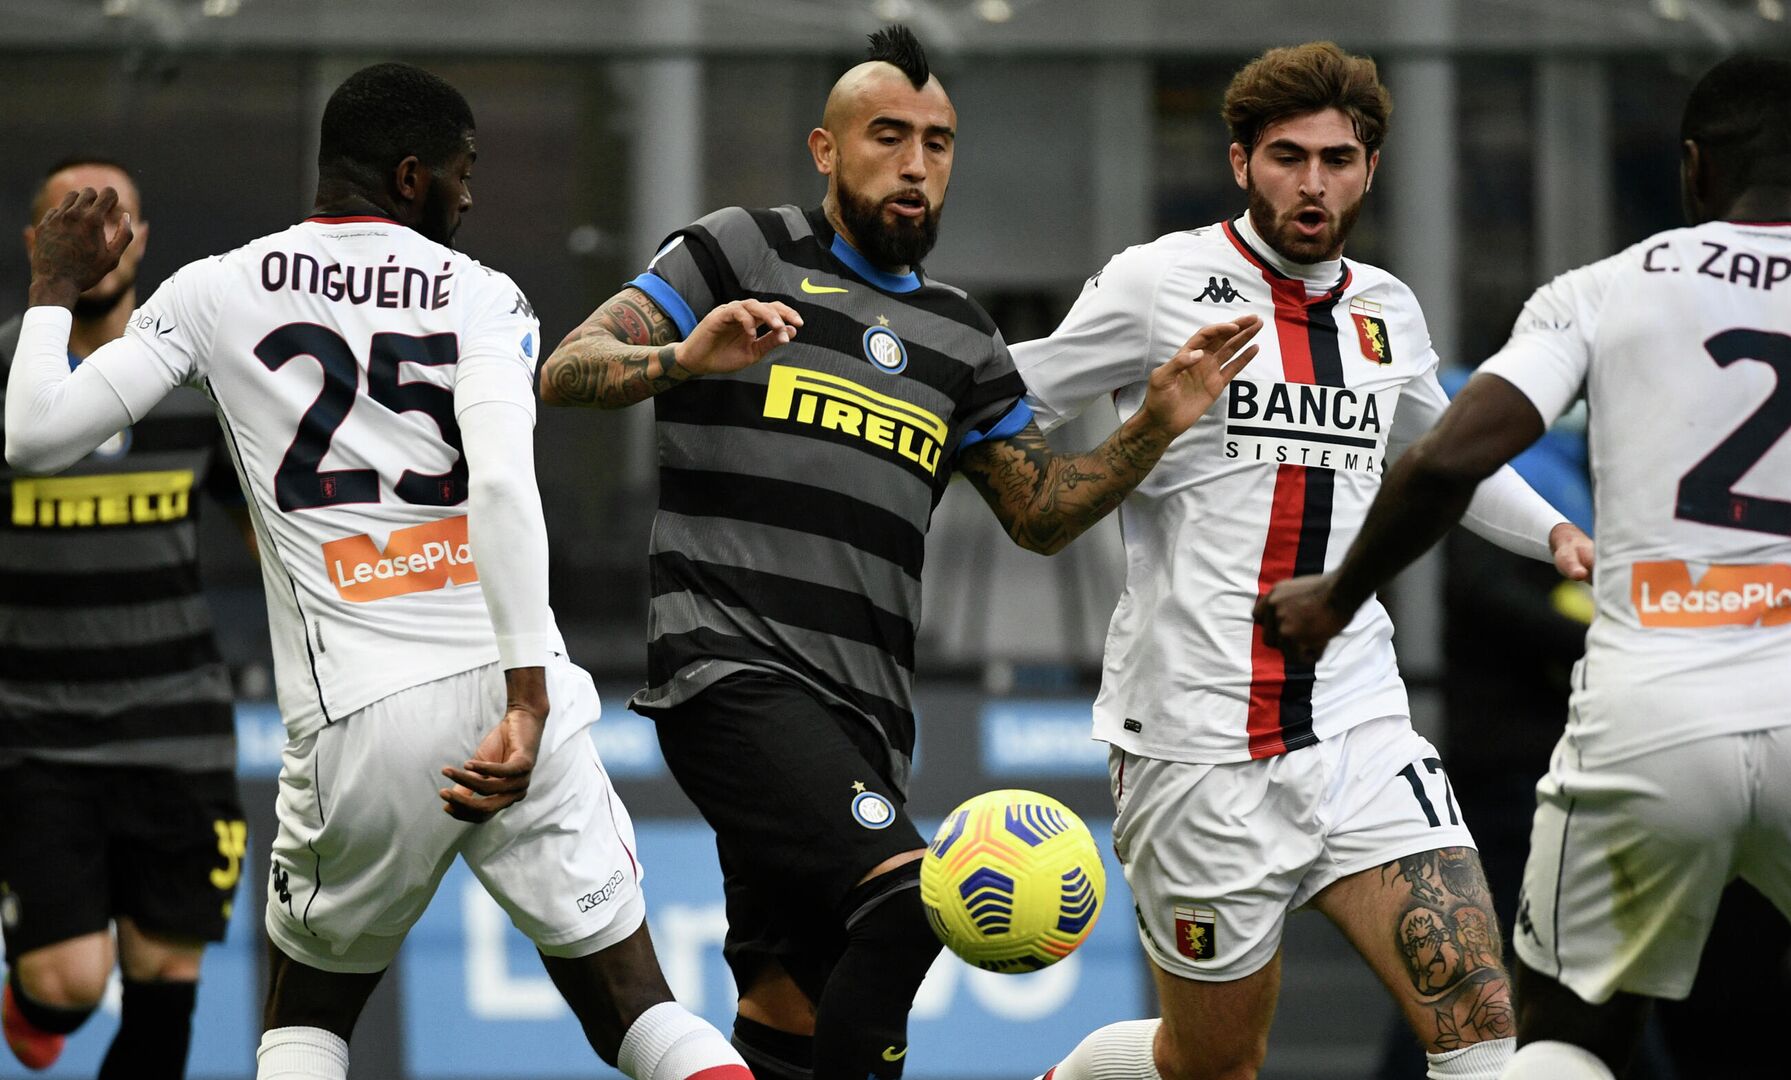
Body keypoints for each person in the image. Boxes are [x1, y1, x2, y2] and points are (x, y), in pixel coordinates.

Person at [538, 25, 1259, 1080]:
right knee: (909, 900)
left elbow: (1041, 514)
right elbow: (570, 367)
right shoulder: (739, 250)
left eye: (939, 141)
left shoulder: (964, 339)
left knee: (795, 1005)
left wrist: (1154, 422)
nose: (916, 163)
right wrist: (684, 355)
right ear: (827, 150)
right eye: (888, 137)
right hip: (728, 675)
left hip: (866, 715)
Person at [6, 63, 751, 1080]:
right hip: (516, 691)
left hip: (361, 713)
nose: (471, 194)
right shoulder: (485, 295)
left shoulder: (213, 291)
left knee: (307, 1015)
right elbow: (500, 488)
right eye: (463, 171)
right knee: (638, 1008)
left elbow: (39, 437)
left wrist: (51, 288)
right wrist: (526, 701)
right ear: (411, 176)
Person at [1255, 55, 1791, 1080]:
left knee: (1565, 1039)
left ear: (1693, 171)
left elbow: (1446, 460)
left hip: (1647, 712)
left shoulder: (1607, 290)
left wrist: (1337, 598)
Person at [1014, 41, 1594, 1080]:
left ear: (1371, 167)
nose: (1313, 182)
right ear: (1240, 162)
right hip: (1196, 742)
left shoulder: (1387, 310)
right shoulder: (1159, 283)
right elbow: (1015, 397)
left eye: (1338, 157)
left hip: (1358, 721)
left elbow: (1446, 457)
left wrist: (1553, 529)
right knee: (1214, 1065)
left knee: (1482, 1022)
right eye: (1288, 156)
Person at [0, 156, 250, 1079]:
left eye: (118, 219)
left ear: (142, 239)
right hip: (37, 734)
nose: (100, 234)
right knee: (68, 982)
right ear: (38, 242)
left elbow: (273, 535)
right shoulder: (5, 383)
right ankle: (29, 997)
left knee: (164, 975)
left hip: (177, 728)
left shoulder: (195, 384)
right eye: (74, 217)